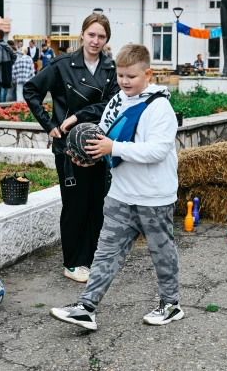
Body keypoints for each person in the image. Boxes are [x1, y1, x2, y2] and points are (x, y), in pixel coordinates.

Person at [49, 44, 183, 331]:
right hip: (121, 194)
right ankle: (86, 307)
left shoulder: (159, 107)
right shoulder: (118, 101)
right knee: (106, 252)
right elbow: (105, 135)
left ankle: (171, 304)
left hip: (154, 197)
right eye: (120, 75)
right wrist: (92, 155)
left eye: (131, 77)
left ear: (147, 74)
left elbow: (157, 150)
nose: (124, 81)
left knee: (162, 253)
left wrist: (114, 147)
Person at [24, 13, 120, 283]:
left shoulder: (111, 68)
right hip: (68, 148)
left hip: (99, 144)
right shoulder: (61, 65)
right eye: (92, 34)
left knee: (97, 203)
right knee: (75, 204)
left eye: (101, 36)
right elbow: (31, 90)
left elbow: (113, 104)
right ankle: (73, 262)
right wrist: (49, 124)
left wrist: (79, 115)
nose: (96, 40)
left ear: (106, 39)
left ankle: (92, 259)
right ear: (82, 34)